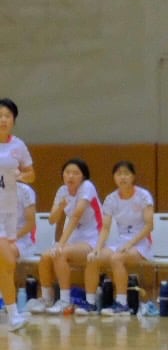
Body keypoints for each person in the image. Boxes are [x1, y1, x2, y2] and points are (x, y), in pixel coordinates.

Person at [27, 159, 100, 315]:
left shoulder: (87, 187)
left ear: (83, 176)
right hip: (72, 241)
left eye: (75, 173)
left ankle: (65, 300)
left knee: (60, 253)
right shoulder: (62, 191)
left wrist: (60, 244)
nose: (70, 176)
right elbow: (52, 220)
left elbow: (76, 216)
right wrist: (60, 207)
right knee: (45, 257)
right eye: (67, 172)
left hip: (93, 239)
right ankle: (47, 299)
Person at [82, 161, 155, 316]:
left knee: (116, 258)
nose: (123, 177)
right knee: (93, 259)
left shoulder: (143, 196)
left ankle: (122, 304)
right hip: (120, 243)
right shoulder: (111, 199)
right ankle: (90, 303)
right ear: (114, 177)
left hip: (141, 243)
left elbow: (149, 226)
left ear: (133, 177)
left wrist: (130, 244)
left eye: (126, 173)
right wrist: (97, 248)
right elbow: (105, 228)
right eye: (119, 174)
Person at [0, 98, 34, 331]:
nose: (3, 120)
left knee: (6, 264)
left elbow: (31, 173)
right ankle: (13, 314)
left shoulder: (18, 146)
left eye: (7, 116)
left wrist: (23, 176)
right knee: (7, 260)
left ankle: (13, 315)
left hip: (9, 212)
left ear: (13, 120)